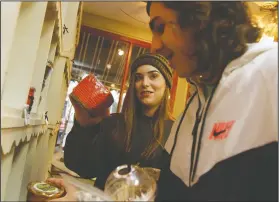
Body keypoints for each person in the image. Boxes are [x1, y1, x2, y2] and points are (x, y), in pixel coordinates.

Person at [146, 1, 278, 201]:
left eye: (160, 27)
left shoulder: (271, 71)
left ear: (201, 17)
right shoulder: (191, 109)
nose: (154, 46)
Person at [63, 53, 174, 190]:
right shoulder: (113, 123)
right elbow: (82, 167)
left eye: (153, 76)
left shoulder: (176, 131)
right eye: (138, 78)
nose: (145, 83)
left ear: (166, 83)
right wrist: (83, 126)